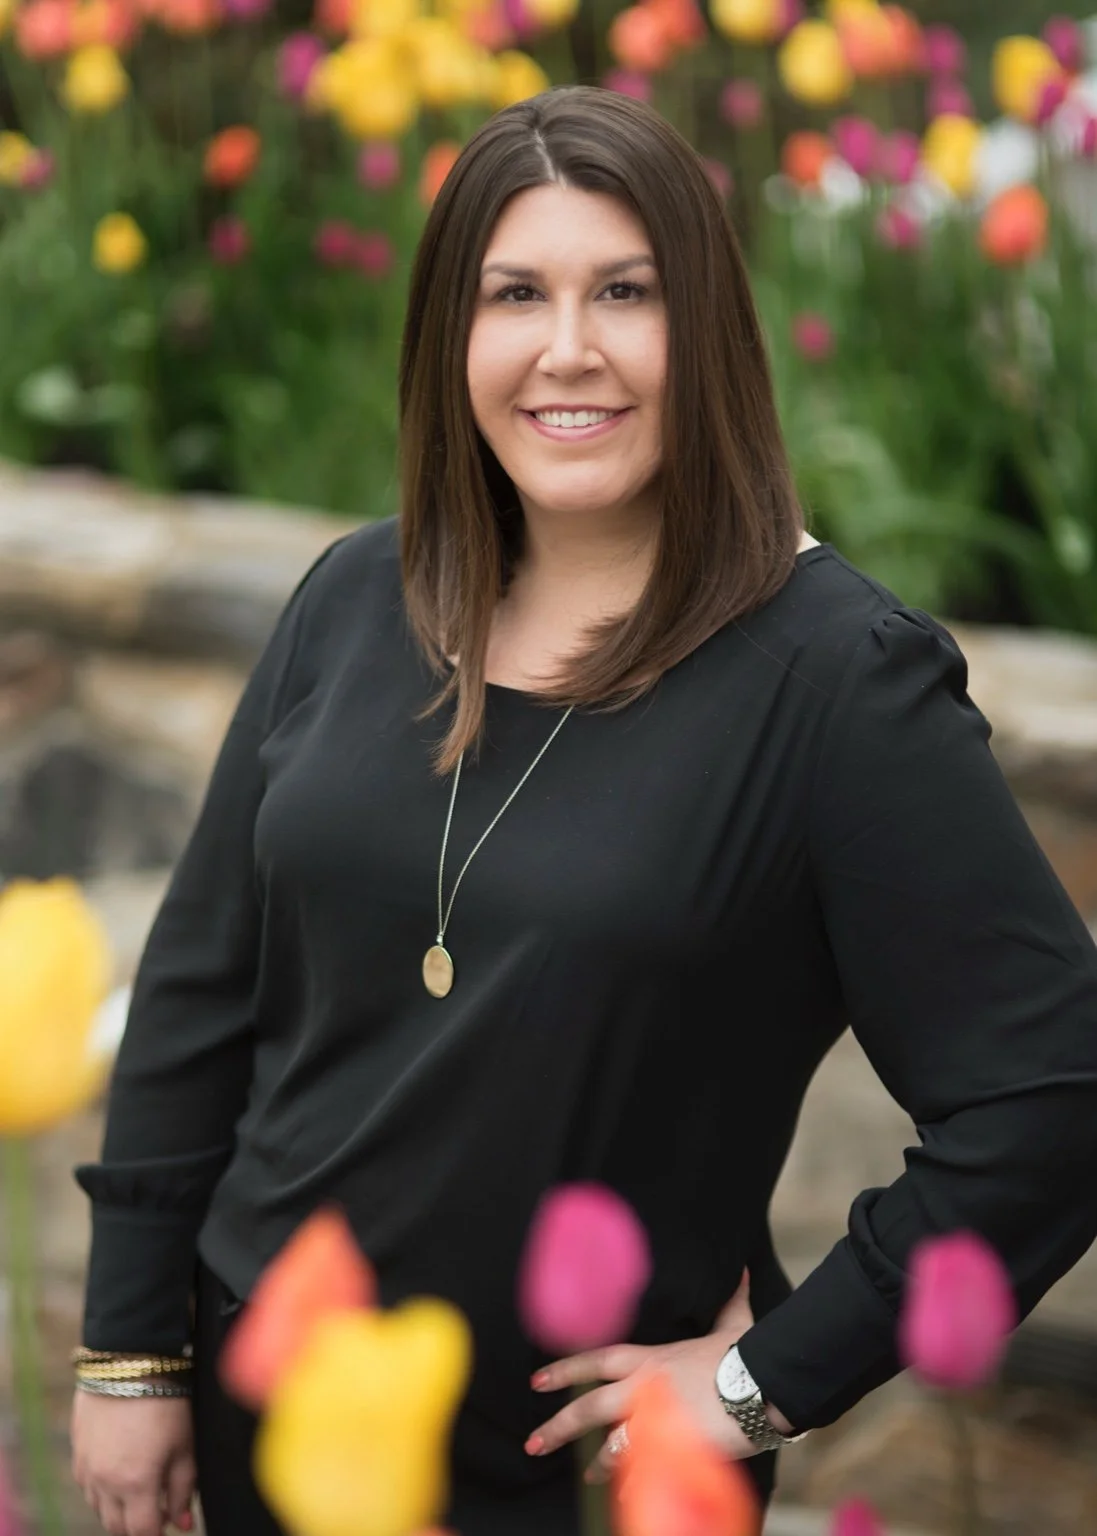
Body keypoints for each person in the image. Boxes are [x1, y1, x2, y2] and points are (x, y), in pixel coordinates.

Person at [70, 83, 1097, 1536]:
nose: (569, 349)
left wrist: (762, 1383)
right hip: (274, 1418)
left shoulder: (839, 684)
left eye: (627, 291)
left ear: (709, 329)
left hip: (571, 1475)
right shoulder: (358, 597)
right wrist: (129, 1352)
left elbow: (1054, 1095)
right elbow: (197, 991)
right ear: (452, 335)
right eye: (516, 294)